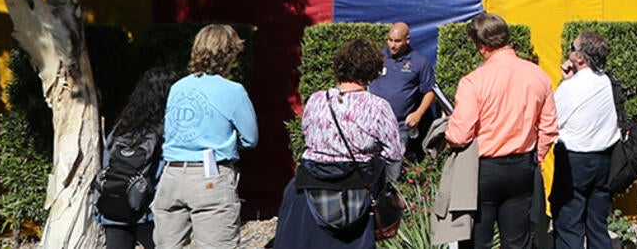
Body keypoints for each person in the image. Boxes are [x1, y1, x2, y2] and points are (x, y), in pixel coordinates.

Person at [445, 13, 558, 249]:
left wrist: (447, 128)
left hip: (483, 169)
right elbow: (549, 128)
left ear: (481, 45)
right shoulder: (538, 75)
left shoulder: (473, 81)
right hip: (522, 166)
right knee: (517, 242)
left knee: (477, 242)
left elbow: (459, 135)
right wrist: (536, 157)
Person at [280, 39, 407, 248]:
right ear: (373, 70)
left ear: (340, 66)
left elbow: (308, 136)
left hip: (310, 188)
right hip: (357, 192)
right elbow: (395, 152)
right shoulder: (378, 106)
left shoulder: (316, 100)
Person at [154, 25, 259, 249]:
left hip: (171, 175)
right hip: (210, 174)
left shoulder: (178, 87)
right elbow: (251, 138)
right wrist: (229, 141)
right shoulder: (233, 91)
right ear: (229, 53)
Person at [96, 68, 182, 249]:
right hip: (146, 211)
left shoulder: (122, 127)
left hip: (114, 206)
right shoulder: (166, 130)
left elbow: (107, 163)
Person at [551, 32, 622, 249]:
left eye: (572, 48)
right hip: (603, 160)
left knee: (568, 225)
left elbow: (553, 120)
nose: (569, 51)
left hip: (574, 161)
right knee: (597, 225)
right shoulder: (606, 81)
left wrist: (567, 83)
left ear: (580, 57)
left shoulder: (571, 88)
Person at [368, 22, 440, 159]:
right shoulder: (378, 58)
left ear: (407, 40)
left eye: (397, 41)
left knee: (395, 166)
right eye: (390, 40)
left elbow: (430, 91)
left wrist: (418, 113)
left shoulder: (420, 61)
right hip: (374, 125)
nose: (392, 45)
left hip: (401, 127)